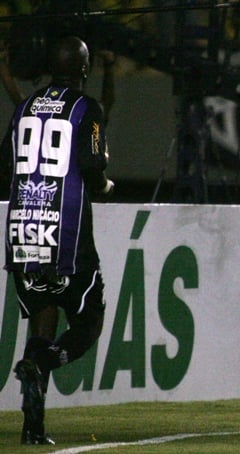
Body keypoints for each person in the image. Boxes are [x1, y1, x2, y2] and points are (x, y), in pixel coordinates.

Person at [0, 35, 114, 445]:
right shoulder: (88, 108)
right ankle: (49, 358)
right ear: (84, 70)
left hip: (23, 233)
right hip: (66, 237)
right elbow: (90, 162)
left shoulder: (25, 109)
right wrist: (104, 185)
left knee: (43, 319)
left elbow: (4, 167)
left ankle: (33, 428)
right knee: (90, 318)